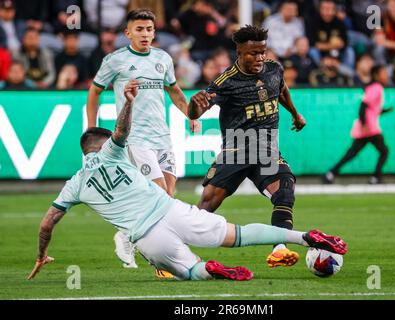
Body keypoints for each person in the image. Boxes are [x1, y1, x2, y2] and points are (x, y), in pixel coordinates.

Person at [27, 80, 347, 282]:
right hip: (171, 209)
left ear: (85, 153)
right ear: (104, 142)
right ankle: (304, 237)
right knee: (240, 234)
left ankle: (209, 270)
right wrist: (128, 102)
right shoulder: (113, 150)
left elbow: (47, 224)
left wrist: (42, 255)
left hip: (146, 237)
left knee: (189, 272)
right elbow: (122, 132)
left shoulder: (75, 183)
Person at [86, 9, 200, 271]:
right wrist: (92, 129)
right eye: (139, 29)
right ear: (127, 33)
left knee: (168, 195)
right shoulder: (115, 60)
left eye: (149, 29)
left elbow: (175, 91)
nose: (145, 34)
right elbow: (94, 92)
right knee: (159, 194)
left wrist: (191, 115)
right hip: (134, 137)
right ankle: (131, 239)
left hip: (162, 136)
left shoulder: (163, 58)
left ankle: (133, 234)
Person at [188, 25, 308, 268]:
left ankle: (279, 248)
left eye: (262, 51)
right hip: (237, 151)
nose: (260, 57)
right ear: (239, 52)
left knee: (285, 189)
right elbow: (198, 110)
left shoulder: (274, 69)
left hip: (266, 151)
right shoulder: (226, 82)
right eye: (253, 53)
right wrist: (193, 106)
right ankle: (171, 251)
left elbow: (281, 89)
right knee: (206, 207)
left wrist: (295, 114)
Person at [324, 65, 393, 185]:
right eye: (383, 73)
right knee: (384, 151)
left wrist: (385, 110)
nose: (386, 75)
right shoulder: (376, 88)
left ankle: (331, 173)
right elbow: (363, 106)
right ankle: (376, 178)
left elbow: (373, 109)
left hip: (366, 127)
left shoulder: (374, 88)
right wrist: (364, 123)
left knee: (352, 153)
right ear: (376, 75)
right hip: (370, 128)